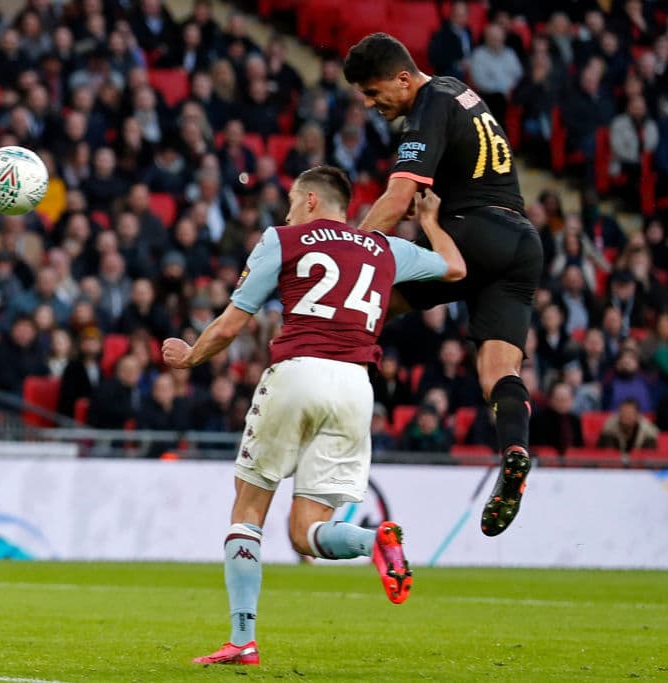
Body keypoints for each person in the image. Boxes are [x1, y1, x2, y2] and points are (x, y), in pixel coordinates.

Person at [162, 166, 465, 665]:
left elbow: (231, 324)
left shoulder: (281, 239)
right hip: (355, 389)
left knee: (249, 509)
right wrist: (431, 221)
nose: (285, 209)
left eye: (289, 199)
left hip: (298, 372)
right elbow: (455, 268)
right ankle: (375, 540)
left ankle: (243, 639)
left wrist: (190, 356)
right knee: (307, 531)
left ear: (308, 201)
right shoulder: (382, 248)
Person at [344, 33, 542, 536]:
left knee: (366, 302)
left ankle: (336, 412)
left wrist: (345, 254)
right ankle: (515, 452)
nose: (370, 104)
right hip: (520, 242)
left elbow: (397, 195)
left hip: (474, 234)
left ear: (404, 78)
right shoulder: (458, 90)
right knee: (498, 372)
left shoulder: (428, 105)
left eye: (373, 91)